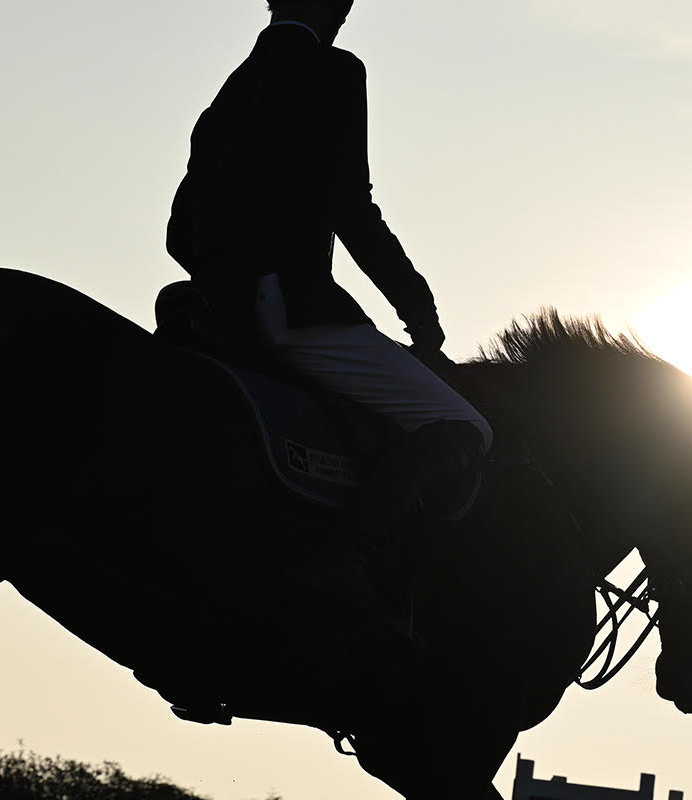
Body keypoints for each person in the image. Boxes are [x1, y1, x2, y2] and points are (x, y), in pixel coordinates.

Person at [166, 0, 493, 627]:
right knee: (462, 423)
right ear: (333, 7)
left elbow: (179, 230)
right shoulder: (336, 71)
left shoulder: (228, 93)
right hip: (292, 309)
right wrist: (418, 310)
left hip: (212, 309)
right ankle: (342, 557)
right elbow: (353, 210)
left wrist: (225, 281)